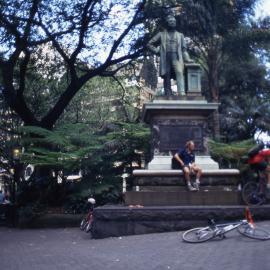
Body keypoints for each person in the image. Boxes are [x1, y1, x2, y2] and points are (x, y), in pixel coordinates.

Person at [147, 13, 193, 96]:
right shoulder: (161, 34)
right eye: (170, 21)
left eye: (173, 21)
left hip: (177, 56)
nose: (172, 22)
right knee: (166, 75)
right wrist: (157, 51)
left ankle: (181, 93)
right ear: (167, 23)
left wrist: (187, 59)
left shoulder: (180, 35)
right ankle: (168, 93)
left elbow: (184, 50)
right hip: (165, 57)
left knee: (179, 72)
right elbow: (149, 44)